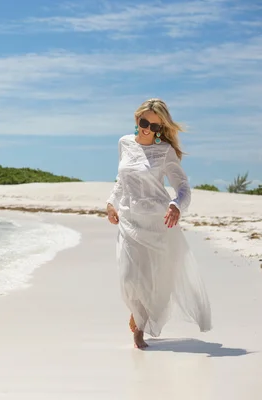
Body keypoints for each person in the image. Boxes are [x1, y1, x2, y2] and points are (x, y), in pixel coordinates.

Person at [106, 98, 212, 349]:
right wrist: (111, 202)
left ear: (161, 128)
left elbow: (183, 187)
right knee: (130, 278)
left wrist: (176, 205)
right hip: (129, 221)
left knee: (156, 283)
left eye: (155, 127)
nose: (148, 129)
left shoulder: (165, 151)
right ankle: (137, 314)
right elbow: (122, 180)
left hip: (157, 223)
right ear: (136, 119)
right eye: (144, 123)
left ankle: (140, 325)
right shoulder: (124, 143)